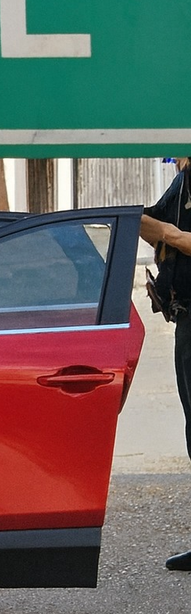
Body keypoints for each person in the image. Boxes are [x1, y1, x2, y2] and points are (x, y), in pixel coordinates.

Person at [138, 157, 191, 571]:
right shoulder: (184, 181)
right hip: (185, 318)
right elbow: (150, 223)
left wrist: (172, 235)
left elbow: (167, 231)